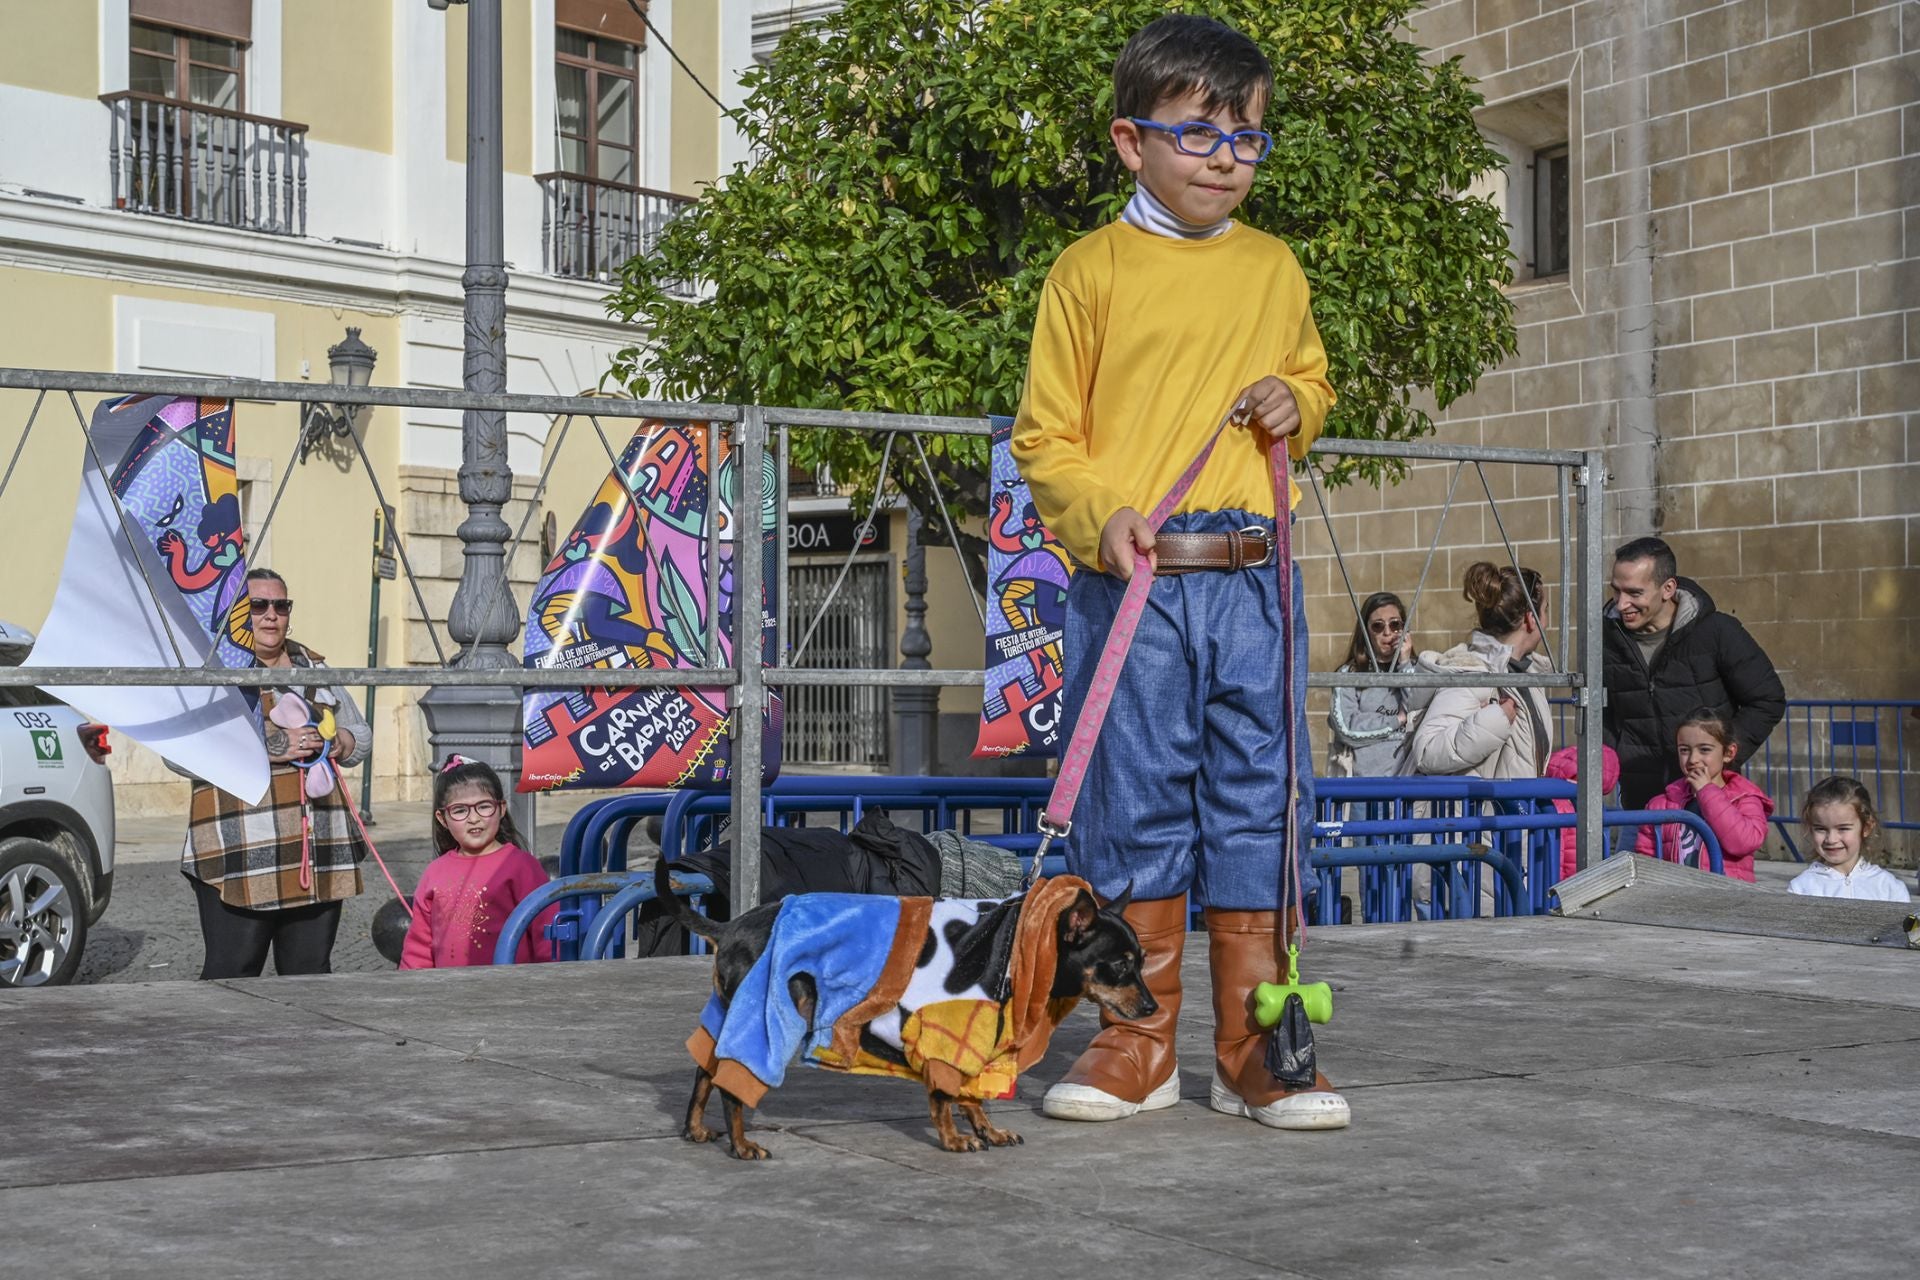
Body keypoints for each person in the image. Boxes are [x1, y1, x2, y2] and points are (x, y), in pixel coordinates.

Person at [1011, 14, 1346, 1131]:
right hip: (1137, 578)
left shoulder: (1275, 266)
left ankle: (1261, 1049)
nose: (1225, 158)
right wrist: (1098, 515)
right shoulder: (1087, 269)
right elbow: (1045, 435)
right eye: (1199, 132)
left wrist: (1302, 399)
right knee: (1134, 802)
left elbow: (1310, 376)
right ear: (1129, 140)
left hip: (1256, 580)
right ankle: (1136, 1041)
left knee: (1261, 800)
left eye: (1247, 138)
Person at [180, 569, 371, 979]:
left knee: (309, 976)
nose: (271, 616)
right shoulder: (214, 669)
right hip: (242, 850)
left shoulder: (313, 666)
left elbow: (363, 735)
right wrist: (268, 747)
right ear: (235, 615)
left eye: (280, 606)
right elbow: (179, 755)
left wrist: (341, 743)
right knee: (232, 975)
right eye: (258, 606)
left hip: (318, 852)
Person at [1604, 536, 1785, 809]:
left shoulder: (1718, 632)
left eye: (1634, 593)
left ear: (1667, 588)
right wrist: (1615, 759)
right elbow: (1601, 713)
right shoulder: (1604, 640)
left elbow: (1767, 699)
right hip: (1640, 803)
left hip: (1708, 802)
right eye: (1616, 591)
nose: (1621, 604)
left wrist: (1719, 757)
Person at [400, 757, 558, 968]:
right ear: (442, 818)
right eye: (460, 810)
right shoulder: (434, 872)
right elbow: (418, 947)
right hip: (449, 993)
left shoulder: (521, 866)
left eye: (483, 806)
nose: (474, 818)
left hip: (512, 991)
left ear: (501, 809)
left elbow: (546, 931)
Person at [1406, 563, 1552, 782]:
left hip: (1516, 813)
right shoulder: (1473, 673)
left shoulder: (1527, 675)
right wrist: (1494, 719)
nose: (1547, 621)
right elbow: (1427, 751)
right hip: (1479, 814)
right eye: (1546, 610)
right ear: (1531, 620)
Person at [1632, 709, 1773, 883]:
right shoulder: (1660, 804)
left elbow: (1743, 843)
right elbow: (1646, 859)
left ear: (1729, 753)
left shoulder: (1745, 798)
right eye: (1684, 750)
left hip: (1728, 899)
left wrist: (1707, 792)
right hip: (1677, 898)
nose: (1692, 759)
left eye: (1704, 750)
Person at [1327, 591, 1426, 777]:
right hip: (1363, 791)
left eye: (1395, 624)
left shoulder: (1418, 670)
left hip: (1408, 788)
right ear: (1365, 631)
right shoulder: (1350, 674)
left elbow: (1419, 715)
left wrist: (1404, 664)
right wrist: (1396, 720)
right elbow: (1346, 729)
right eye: (1378, 626)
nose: (1388, 632)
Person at [1788, 776, 1912, 902]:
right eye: (1821, 829)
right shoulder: (1801, 888)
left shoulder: (1890, 888)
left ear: (1866, 828)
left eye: (1843, 828)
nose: (1831, 839)